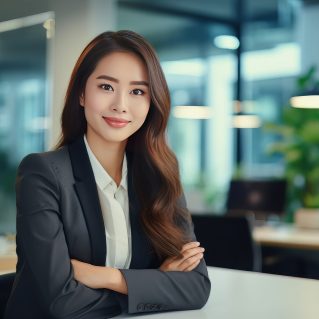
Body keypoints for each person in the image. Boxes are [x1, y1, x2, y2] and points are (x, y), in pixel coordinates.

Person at [3, 30, 211, 319]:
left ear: (152, 102)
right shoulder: (43, 173)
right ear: (81, 94)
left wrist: (108, 278)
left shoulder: (159, 175)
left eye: (138, 91)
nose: (121, 105)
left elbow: (196, 287)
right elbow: (61, 302)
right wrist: (150, 285)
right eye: (106, 87)